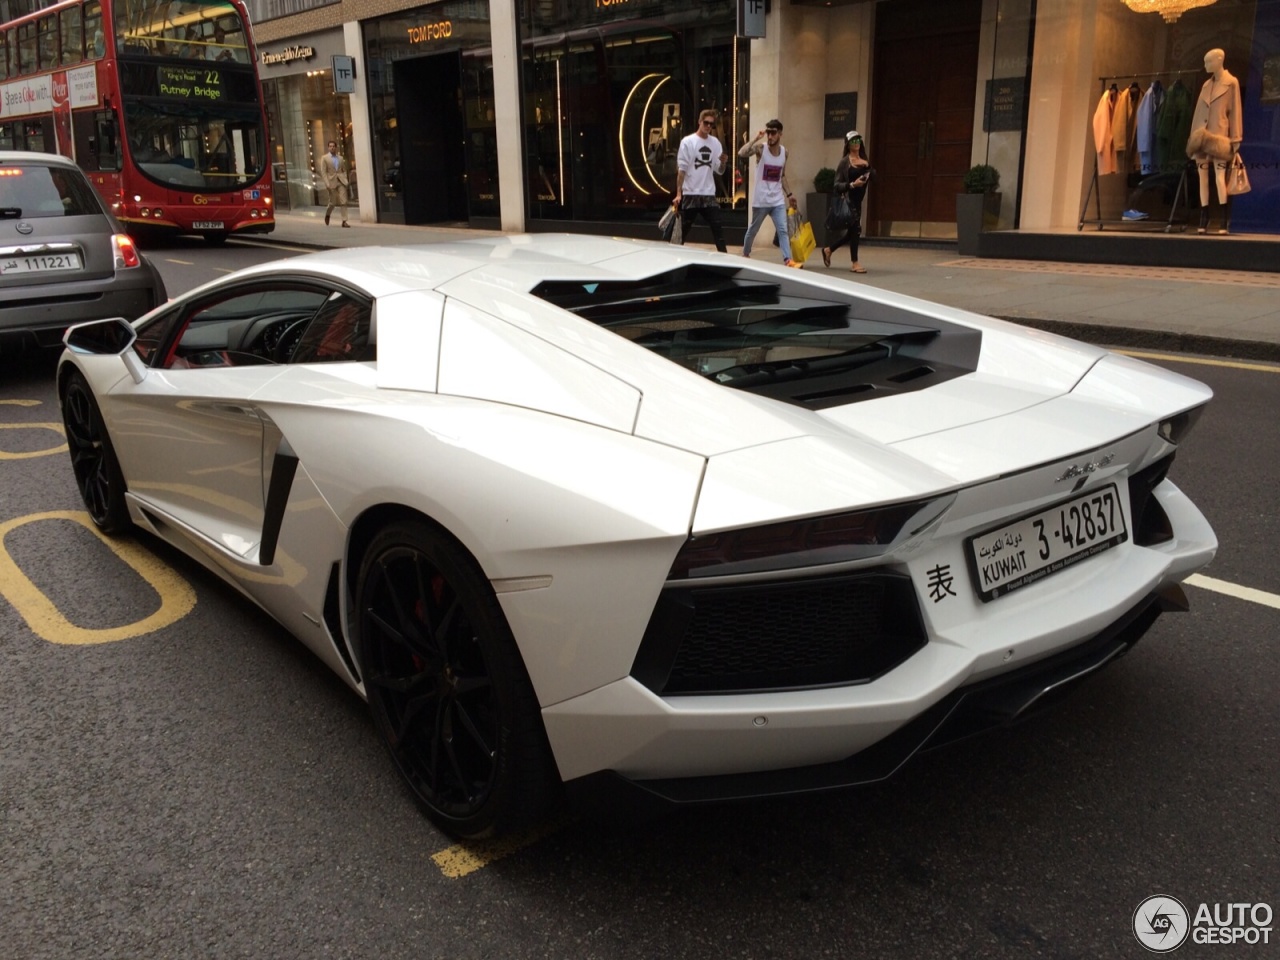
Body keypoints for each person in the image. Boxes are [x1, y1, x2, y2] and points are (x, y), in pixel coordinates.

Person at [1187, 48, 1242, 235]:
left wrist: (1236, 138)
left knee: (1220, 177)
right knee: (1202, 176)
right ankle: (1204, 215)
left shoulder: (1231, 83)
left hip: (1219, 136)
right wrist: (1193, 139)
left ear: (1219, 60)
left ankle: (1223, 218)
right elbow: (1198, 114)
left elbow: (1235, 112)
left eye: (1208, 61)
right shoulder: (1205, 85)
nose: (1205, 66)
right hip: (1202, 137)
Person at [738, 119, 801, 267]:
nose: (770, 136)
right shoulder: (761, 148)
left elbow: (782, 175)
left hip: (777, 200)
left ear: (780, 134)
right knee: (753, 230)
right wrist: (755, 138)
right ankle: (745, 254)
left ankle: (788, 260)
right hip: (761, 200)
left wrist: (790, 194)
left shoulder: (785, 153)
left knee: (783, 230)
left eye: (773, 133)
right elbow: (741, 153)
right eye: (768, 133)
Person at [673, 109, 728, 252]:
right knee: (683, 229)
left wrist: (723, 163)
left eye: (711, 124)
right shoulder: (688, 142)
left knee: (718, 228)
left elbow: (719, 171)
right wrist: (679, 193)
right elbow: (682, 170)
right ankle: (672, 253)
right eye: (706, 123)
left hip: (708, 193)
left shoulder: (715, 143)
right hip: (691, 192)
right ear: (699, 122)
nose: (708, 126)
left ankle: (724, 258)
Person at [822, 130, 873, 274]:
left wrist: (867, 167)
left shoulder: (864, 159)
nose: (856, 144)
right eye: (853, 141)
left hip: (859, 200)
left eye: (858, 141)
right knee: (855, 231)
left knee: (852, 232)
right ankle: (855, 263)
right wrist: (852, 184)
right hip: (849, 200)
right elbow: (837, 185)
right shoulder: (845, 162)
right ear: (848, 144)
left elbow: (873, 176)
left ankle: (829, 250)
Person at [320, 140, 350, 227]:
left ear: (336, 147)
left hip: (341, 181)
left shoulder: (340, 158)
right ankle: (328, 214)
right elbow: (323, 172)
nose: (332, 148)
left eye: (333, 146)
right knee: (332, 202)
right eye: (330, 146)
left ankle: (344, 221)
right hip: (331, 182)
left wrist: (345, 179)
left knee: (343, 201)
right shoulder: (324, 158)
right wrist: (327, 183)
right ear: (328, 147)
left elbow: (344, 169)